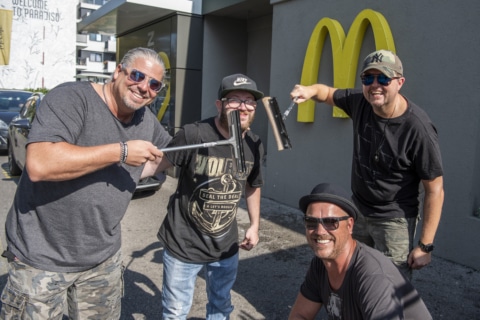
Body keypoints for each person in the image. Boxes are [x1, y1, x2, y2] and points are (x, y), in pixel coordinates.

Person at [0, 47, 172, 319]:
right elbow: (39, 163)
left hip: (102, 260)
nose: (143, 87)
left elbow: (167, 157)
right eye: (137, 75)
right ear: (118, 71)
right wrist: (123, 151)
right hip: (41, 259)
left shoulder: (145, 120)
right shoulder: (72, 98)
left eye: (154, 84)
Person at [290, 49, 444, 278]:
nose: (375, 85)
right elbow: (327, 93)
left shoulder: (417, 128)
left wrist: (425, 245)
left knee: (391, 286)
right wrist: (308, 90)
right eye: (368, 78)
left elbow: (435, 190)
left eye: (383, 78)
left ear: (399, 82)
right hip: (358, 210)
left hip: (394, 221)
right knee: (352, 273)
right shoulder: (360, 103)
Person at [155, 73, 265, 319]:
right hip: (183, 243)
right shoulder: (194, 134)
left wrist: (254, 225)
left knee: (221, 307)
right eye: (234, 99)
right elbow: (155, 166)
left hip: (225, 247)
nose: (242, 106)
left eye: (249, 101)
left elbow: (252, 185)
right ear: (220, 105)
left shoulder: (254, 144)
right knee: (175, 311)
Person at [289, 182, 432, 320]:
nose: (319, 231)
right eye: (311, 222)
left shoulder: (373, 277)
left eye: (331, 222)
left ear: (350, 225)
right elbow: (300, 315)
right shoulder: (320, 265)